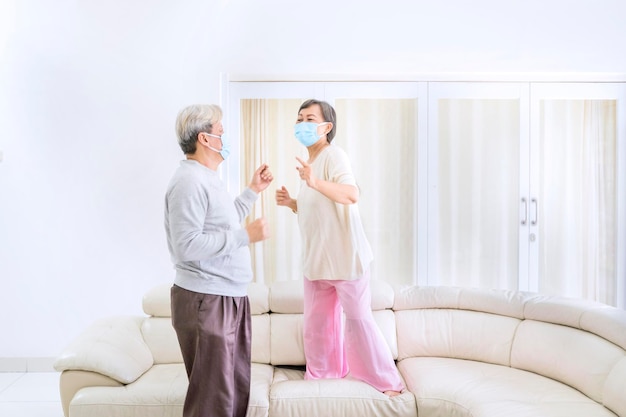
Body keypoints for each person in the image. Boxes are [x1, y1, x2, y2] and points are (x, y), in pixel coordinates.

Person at [275, 99, 404, 396]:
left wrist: (314, 181)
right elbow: (318, 209)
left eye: (309, 119)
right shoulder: (310, 166)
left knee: (358, 321)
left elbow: (350, 194)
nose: (301, 124)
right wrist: (292, 202)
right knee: (318, 327)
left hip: (346, 259)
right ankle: (322, 378)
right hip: (317, 263)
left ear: (326, 127)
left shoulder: (333, 156)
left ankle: (387, 383)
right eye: (299, 119)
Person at [165, 104, 273, 417]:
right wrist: (245, 237)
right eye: (221, 132)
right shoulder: (189, 182)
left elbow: (223, 225)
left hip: (228, 296)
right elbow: (187, 246)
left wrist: (252, 191)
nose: (226, 137)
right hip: (207, 299)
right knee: (213, 401)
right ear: (205, 138)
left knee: (231, 391)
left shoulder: (208, 178)